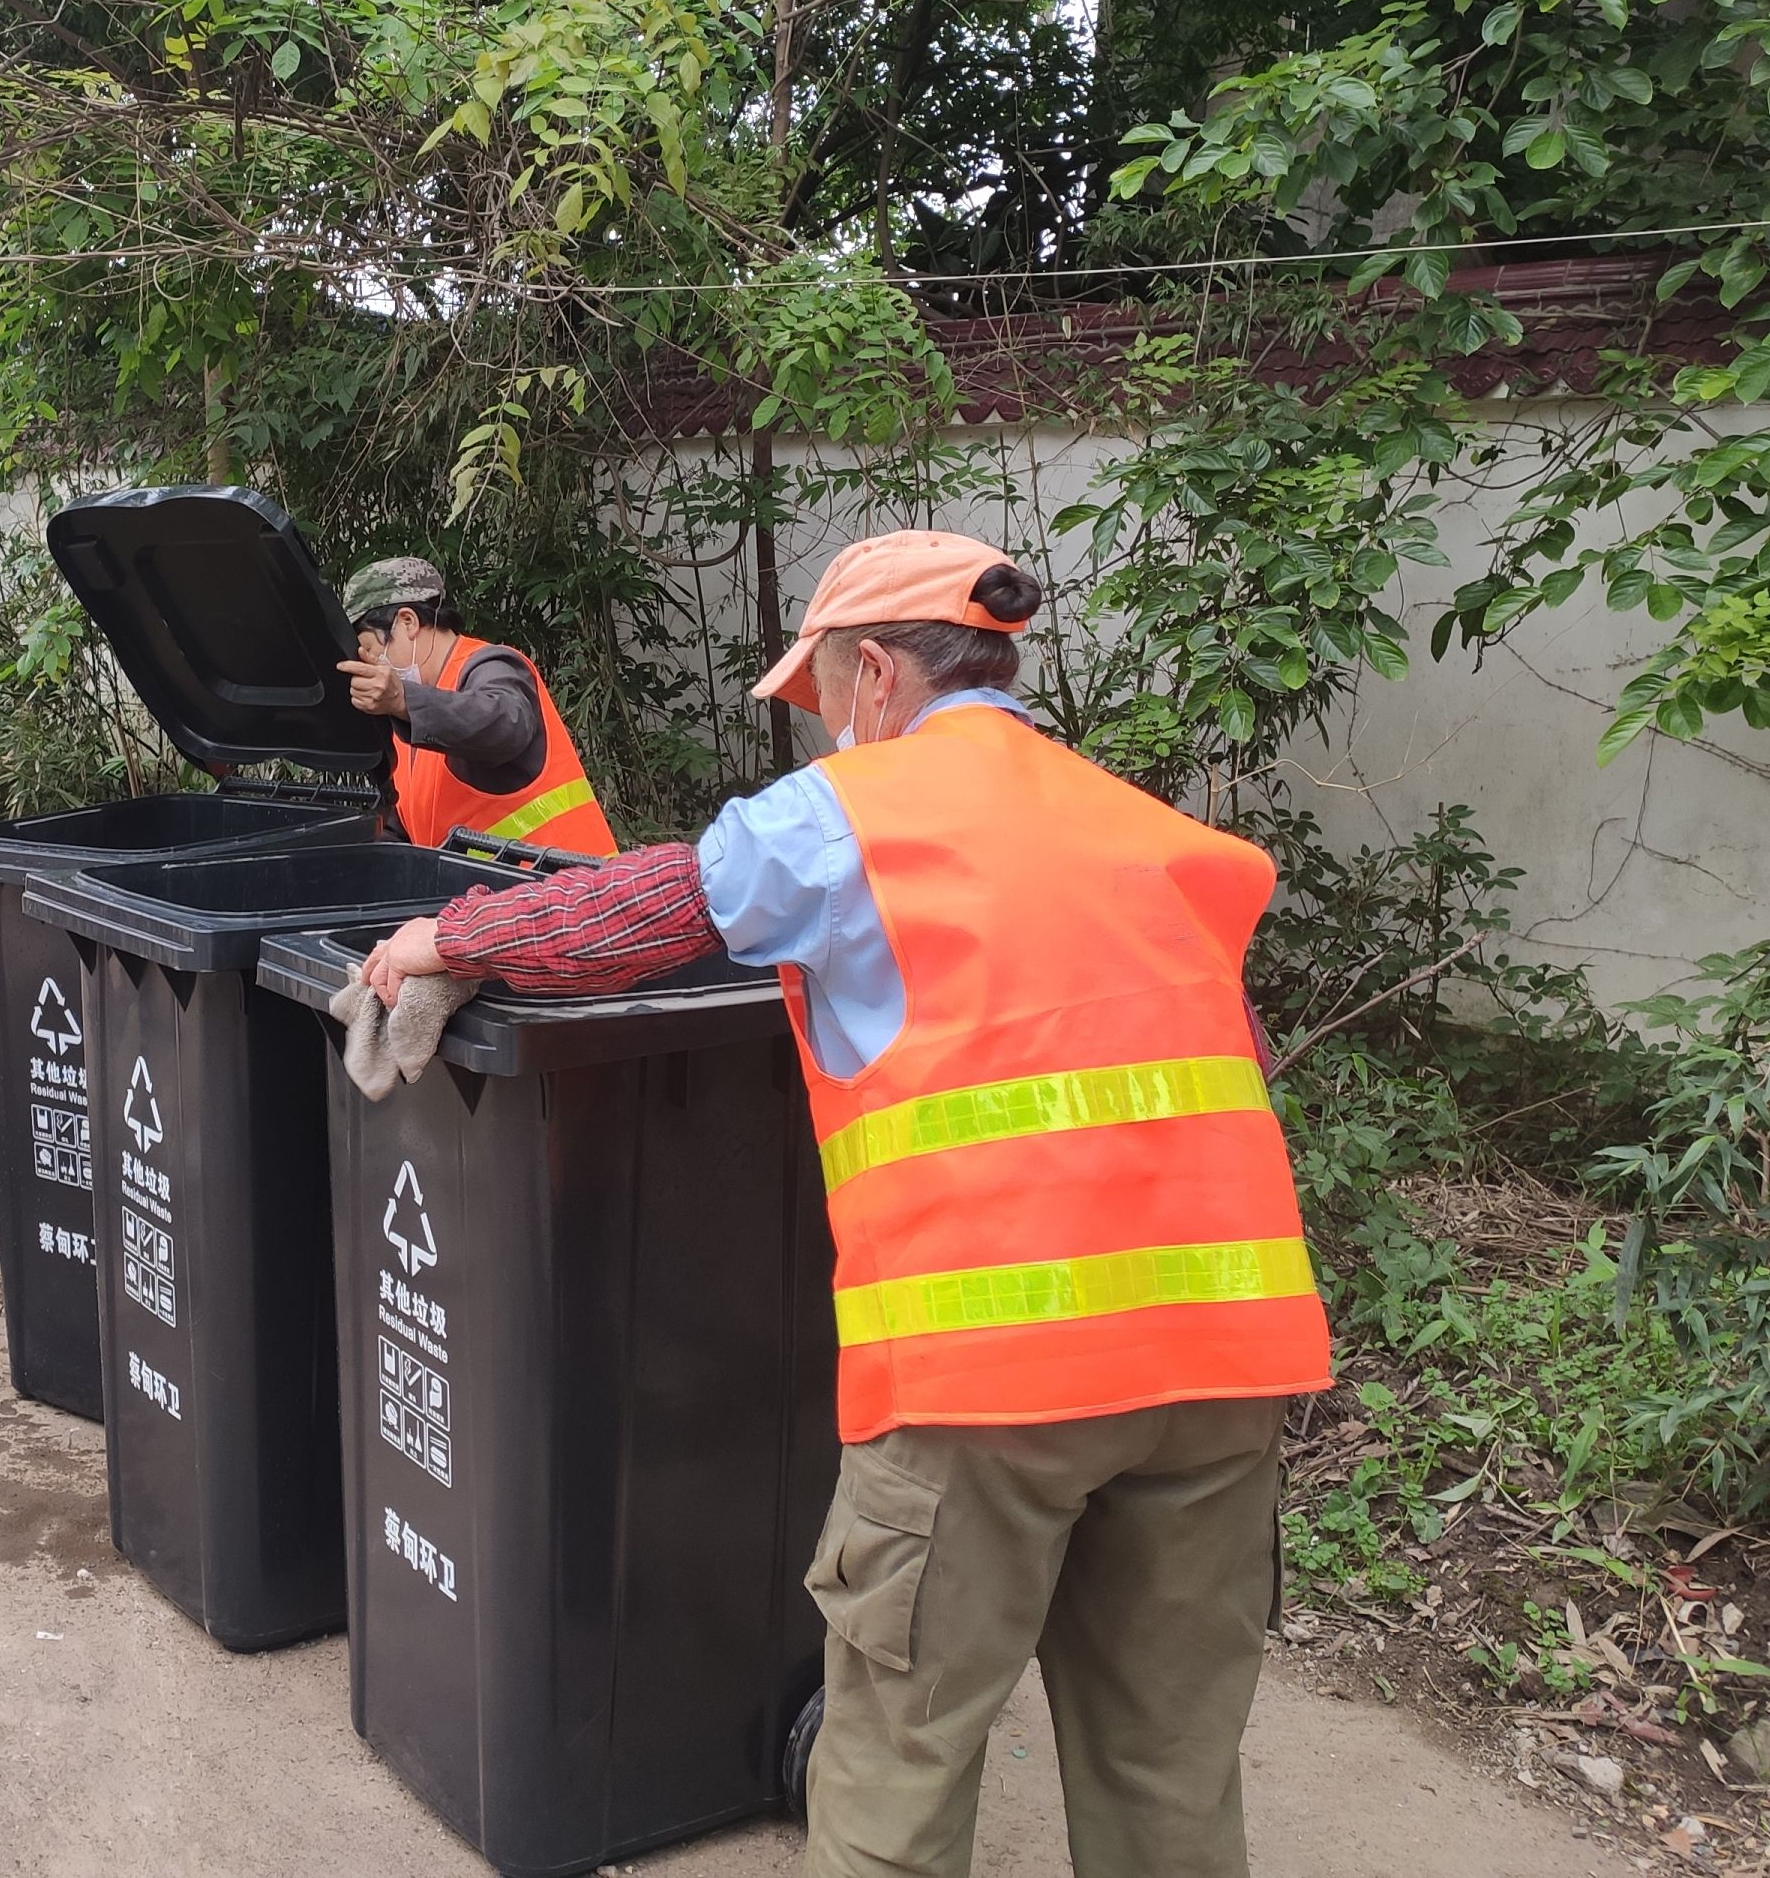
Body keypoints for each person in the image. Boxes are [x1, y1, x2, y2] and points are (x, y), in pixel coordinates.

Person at [358, 528, 1330, 1878]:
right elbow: (1231, 1071)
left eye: (819, 704)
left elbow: (644, 912)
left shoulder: (862, 809)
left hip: (993, 1367)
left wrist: (444, 937)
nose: (819, 738)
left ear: (878, 673)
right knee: (1167, 1764)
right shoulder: (1148, 831)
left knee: (900, 1755)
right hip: (1226, 1365)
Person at [334, 555, 618, 857]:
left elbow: (505, 726)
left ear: (408, 622)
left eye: (373, 650)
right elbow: (405, 830)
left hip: (571, 894)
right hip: (496, 899)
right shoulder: (407, 718)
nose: (374, 665)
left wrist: (403, 700)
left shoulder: (492, 666)